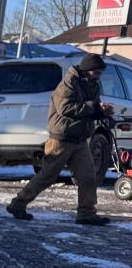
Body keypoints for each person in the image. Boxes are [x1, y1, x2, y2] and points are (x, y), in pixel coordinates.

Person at [7, 53, 112, 225]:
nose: (98, 76)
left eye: (100, 73)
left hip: (79, 138)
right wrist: (93, 107)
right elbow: (66, 108)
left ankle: (86, 213)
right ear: (87, 70)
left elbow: (90, 108)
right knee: (47, 176)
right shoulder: (68, 83)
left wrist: (102, 112)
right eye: (97, 72)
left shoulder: (93, 84)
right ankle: (18, 203)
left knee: (88, 177)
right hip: (61, 138)